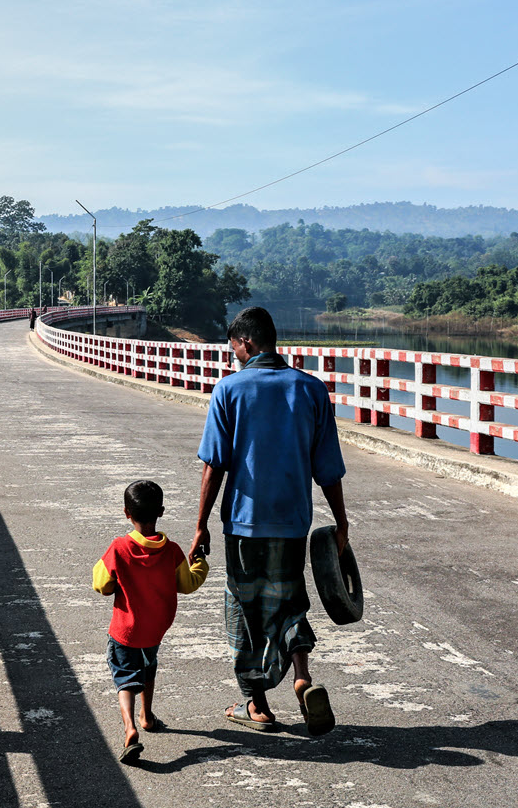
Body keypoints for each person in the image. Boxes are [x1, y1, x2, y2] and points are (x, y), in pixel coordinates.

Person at [190, 306, 350, 736]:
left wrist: (201, 524)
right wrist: (341, 522)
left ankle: (256, 705)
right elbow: (328, 469)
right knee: (290, 601)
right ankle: (302, 678)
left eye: (235, 349)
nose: (235, 357)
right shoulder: (310, 389)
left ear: (247, 342)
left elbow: (213, 465)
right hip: (292, 523)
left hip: (244, 524)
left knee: (246, 608)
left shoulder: (229, 390)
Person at [94, 480, 209, 764]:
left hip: (125, 630)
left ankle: (130, 727)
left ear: (126, 513)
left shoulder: (119, 548)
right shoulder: (172, 551)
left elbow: (101, 585)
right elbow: (188, 584)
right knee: (148, 667)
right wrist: (200, 563)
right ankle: (147, 716)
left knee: (125, 678)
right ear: (161, 511)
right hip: (155, 629)